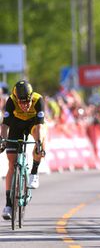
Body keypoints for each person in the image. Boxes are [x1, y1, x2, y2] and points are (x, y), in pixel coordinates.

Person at [0, 80, 46, 220]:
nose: (25, 105)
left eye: (27, 102)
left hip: (33, 123)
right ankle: (8, 204)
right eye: (22, 102)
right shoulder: (11, 101)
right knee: (11, 164)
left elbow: (40, 127)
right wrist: (2, 141)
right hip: (16, 125)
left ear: (31, 97)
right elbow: (5, 126)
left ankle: (34, 172)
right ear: (17, 99)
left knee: (41, 140)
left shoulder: (38, 100)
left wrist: (38, 143)